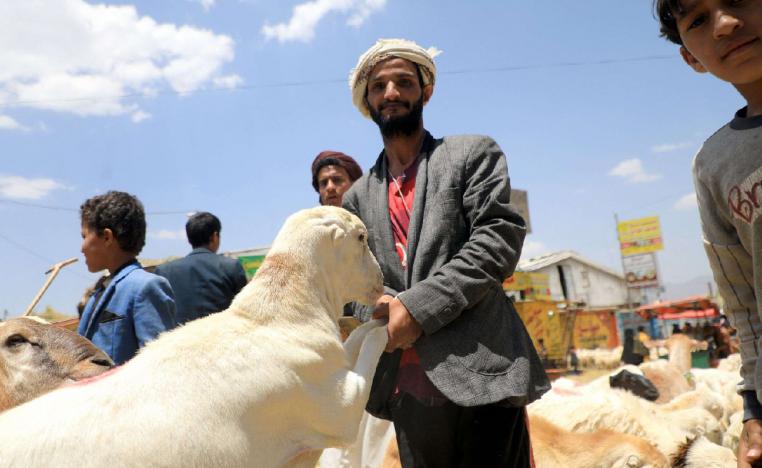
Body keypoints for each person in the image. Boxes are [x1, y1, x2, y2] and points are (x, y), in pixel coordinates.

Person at [343, 38, 549, 467]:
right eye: (379, 86)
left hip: (482, 371)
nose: (392, 93)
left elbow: (498, 239)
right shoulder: (357, 199)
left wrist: (417, 307)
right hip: (406, 383)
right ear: (368, 99)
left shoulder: (472, 153)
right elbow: (344, 290)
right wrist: (374, 308)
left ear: (426, 91)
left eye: (403, 82)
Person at [655, 1, 762, 466]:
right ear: (690, 58)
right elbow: (745, 301)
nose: (725, 24)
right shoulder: (714, 163)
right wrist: (755, 410)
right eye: (697, 20)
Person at [78, 191, 176, 365]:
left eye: (84, 236)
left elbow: (160, 364)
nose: (82, 248)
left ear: (107, 237)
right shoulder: (99, 292)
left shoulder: (145, 287)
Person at [155, 212, 247, 325]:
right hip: (222, 338)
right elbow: (244, 310)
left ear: (189, 240)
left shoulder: (164, 271)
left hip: (180, 339)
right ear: (214, 236)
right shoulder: (231, 267)